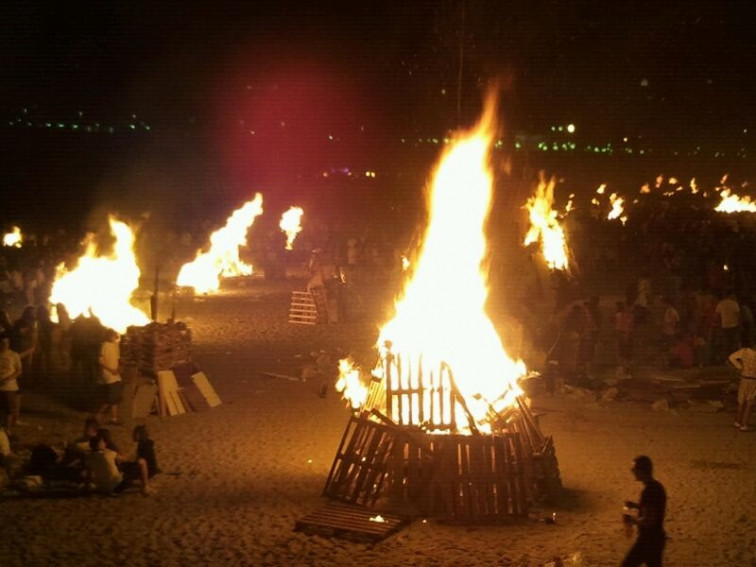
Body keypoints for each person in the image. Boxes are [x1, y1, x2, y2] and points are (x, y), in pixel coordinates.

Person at [622, 455, 667, 567]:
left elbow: (649, 520)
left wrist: (632, 521)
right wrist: (637, 506)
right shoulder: (657, 486)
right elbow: (653, 508)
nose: (632, 471)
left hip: (648, 540)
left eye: (634, 469)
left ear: (641, 470)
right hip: (657, 538)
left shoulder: (648, 491)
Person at [85, 432, 153, 495]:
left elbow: (90, 474)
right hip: (117, 486)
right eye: (103, 442)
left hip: (103, 488)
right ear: (99, 444)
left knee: (121, 474)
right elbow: (126, 459)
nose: (105, 443)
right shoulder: (108, 454)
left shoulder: (89, 457)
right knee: (142, 462)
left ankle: (141, 484)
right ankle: (145, 487)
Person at [96, 328, 123, 425]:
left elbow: (118, 359)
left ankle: (114, 419)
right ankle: (98, 414)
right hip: (108, 374)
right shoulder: (104, 346)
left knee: (115, 397)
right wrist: (111, 369)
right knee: (111, 397)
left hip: (116, 375)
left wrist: (119, 368)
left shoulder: (116, 346)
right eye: (114, 335)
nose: (115, 337)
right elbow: (100, 361)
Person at [728, 345, 756, 431]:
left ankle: (738, 420)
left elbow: (731, 357)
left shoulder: (744, 351)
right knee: (749, 401)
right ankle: (744, 423)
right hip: (754, 379)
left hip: (744, 378)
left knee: (741, 400)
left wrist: (740, 366)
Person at [0, 333, 22, 432]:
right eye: (2, 342)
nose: (5, 344)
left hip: (9, 387)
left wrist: (9, 378)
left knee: (8, 409)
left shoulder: (13, 355)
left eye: (7, 342)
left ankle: (7, 429)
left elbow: (19, 370)